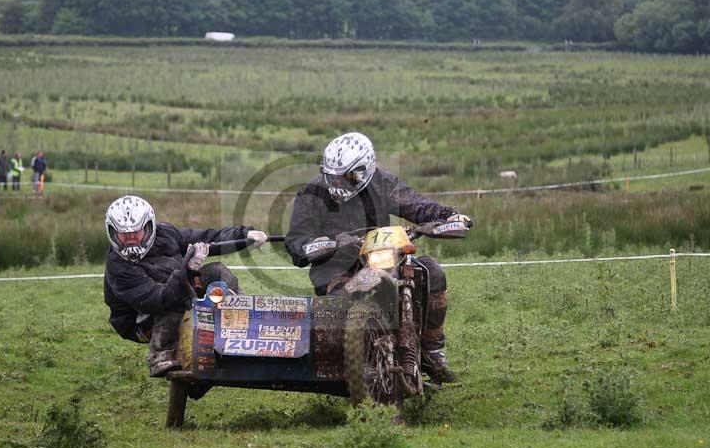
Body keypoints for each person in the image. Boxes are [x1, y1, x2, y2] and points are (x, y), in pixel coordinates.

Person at [285, 132, 473, 383]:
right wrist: (323, 244)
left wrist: (448, 216)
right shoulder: (311, 194)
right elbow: (296, 241)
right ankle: (345, 362)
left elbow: (416, 205)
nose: (339, 183)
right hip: (335, 267)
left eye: (348, 176)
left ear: (366, 169)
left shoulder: (382, 183)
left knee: (431, 272)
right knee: (339, 304)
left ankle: (432, 350)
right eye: (333, 177)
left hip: (381, 256)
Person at [103, 195, 268, 377]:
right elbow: (159, 300)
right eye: (124, 234)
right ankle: (160, 356)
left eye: (136, 232)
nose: (131, 238)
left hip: (173, 288)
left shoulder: (166, 234)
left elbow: (209, 238)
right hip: (138, 319)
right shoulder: (118, 267)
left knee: (218, 272)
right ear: (112, 232)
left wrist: (245, 235)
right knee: (176, 301)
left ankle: (244, 328)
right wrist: (189, 267)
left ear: (149, 227)